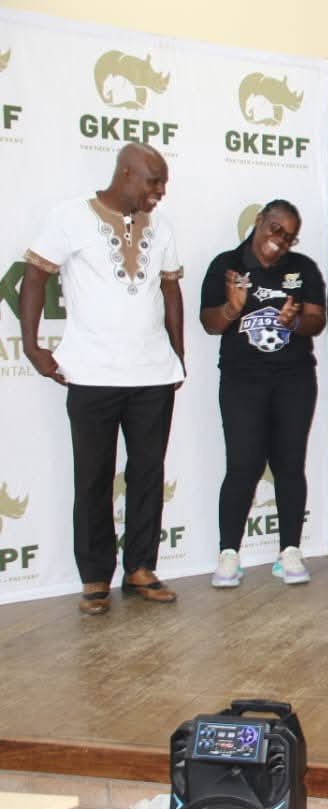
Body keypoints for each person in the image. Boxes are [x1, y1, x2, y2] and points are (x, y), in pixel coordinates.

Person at [19, 142, 184, 615]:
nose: (160, 192)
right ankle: (95, 576)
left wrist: (177, 354)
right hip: (90, 373)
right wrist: (32, 346)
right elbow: (35, 277)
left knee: (148, 474)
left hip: (152, 373)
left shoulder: (163, 226)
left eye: (162, 182)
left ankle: (140, 569)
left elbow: (170, 288)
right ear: (127, 174)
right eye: (154, 182)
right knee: (92, 476)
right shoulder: (71, 216)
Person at [201, 200, 327, 588]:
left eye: (288, 236)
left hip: (294, 381)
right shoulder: (226, 265)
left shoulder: (303, 268)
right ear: (258, 222)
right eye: (275, 229)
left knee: (290, 465)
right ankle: (228, 555)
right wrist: (231, 308)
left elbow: (317, 320)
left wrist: (296, 321)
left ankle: (289, 551)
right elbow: (209, 323)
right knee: (242, 466)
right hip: (243, 382)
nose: (280, 241)